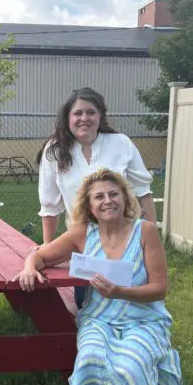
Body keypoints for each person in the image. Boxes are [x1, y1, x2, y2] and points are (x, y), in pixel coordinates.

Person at [14, 168, 181, 385]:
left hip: (143, 319)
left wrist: (119, 292)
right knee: (91, 357)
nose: (107, 201)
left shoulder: (145, 231)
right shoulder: (83, 233)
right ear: (88, 205)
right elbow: (40, 254)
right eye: (99, 196)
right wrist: (29, 268)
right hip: (99, 317)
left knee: (132, 362)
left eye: (113, 194)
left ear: (125, 198)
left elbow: (160, 288)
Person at [36, 87, 156, 310]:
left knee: (131, 302)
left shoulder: (121, 143)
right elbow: (50, 205)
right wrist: (48, 246)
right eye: (77, 113)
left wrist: (151, 237)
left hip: (126, 240)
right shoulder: (55, 150)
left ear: (100, 116)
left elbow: (143, 192)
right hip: (84, 244)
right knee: (89, 305)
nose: (84, 118)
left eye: (91, 112)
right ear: (68, 118)